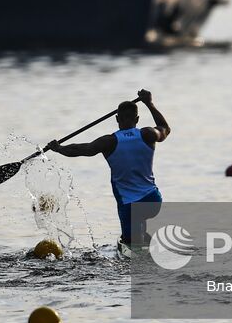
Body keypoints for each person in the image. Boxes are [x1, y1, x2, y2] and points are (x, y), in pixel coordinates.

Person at [47, 90, 169, 246]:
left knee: (129, 243)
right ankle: (145, 241)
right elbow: (165, 127)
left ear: (117, 119)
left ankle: (135, 246)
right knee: (139, 220)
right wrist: (149, 103)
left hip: (129, 206)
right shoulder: (148, 134)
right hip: (153, 201)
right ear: (137, 119)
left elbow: (80, 149)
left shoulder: (109, 142)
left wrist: (59, 148)